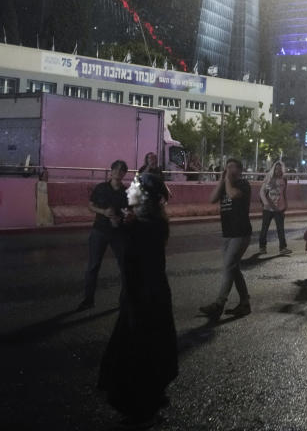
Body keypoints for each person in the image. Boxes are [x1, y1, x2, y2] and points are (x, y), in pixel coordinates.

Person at [98, 172, 177, 429]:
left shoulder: (144, 226)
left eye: (134, 186)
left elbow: (134, 264)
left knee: (138, 350)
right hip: (150, 293)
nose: (129, 189)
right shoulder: (150, 222)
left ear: (143, 196)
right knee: (148, 346)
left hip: (143, 295)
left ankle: (141, 408)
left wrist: (122, 226)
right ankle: (149, 399)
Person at [200, 159, 253, 319]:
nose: (228, 170)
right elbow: (212, 199)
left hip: (241, 233)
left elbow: (233, 194)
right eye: (227, 167)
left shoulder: (243, 184)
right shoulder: (225, 183)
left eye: (232, 167)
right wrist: (222, 180)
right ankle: (245, 303)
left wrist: (228, 181)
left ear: (240, 170)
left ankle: (219, 304)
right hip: (228, 233)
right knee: (233, 268)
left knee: (229, 265)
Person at [79, 160, 129, 311]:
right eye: (116, 169)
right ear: (111, 171)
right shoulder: (101, 188)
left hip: (118, 232)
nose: (118, 173)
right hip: (99, 231)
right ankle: (88, 300)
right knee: (93, 266)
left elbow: (129, 211)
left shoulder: (126, 192)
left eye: (122, 171)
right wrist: (104, 212)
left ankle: (124, 300)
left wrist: (124, 217)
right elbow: (90, 205)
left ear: (124, 174)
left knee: (125, 267)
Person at [258, 161, 291, 255]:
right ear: (273, 169)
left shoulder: (284, 179)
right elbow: (262, 192)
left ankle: (283, 248)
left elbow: (284, 193)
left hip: (279, 208)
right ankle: (262, 247)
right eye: (276, 168)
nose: (278, 170)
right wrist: (265, 203)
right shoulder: (269, 177)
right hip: (268, 208)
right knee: (264, 228)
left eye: (280, 169)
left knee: (281, 228)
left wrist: (286, 204)